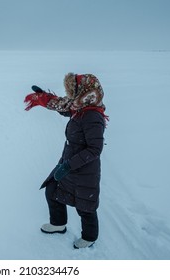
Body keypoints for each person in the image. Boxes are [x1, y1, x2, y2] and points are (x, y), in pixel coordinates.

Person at [24, 73, 108, 249]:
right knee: (52, 189)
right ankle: (58, 224)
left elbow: (95, 149)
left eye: (73, 89)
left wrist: (69, 166)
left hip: (84, 168)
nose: (70, 93)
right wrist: (44, 98)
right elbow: (64, 107)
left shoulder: (92, 116)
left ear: (83, 90)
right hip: (69, 161)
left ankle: (90, 237)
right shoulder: (81, 106)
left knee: (85, 206)